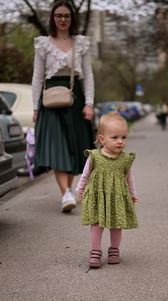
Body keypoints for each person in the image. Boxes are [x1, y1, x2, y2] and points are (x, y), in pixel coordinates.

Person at [32, 0, 94, 213]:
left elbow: (88, 76)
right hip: (50, 100)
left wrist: (89, 104)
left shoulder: (82, 43)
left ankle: (68, 189)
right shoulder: (43, 44)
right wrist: (34, 107)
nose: (62, 19)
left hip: (75, 97)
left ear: (72, 18)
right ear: (53, 18)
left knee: (76, 148)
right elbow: (37, 77)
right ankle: (66, 193)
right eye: (58, 15)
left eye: (66, 16)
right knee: (57, 145)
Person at [76, 108, 139, 268]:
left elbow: (129, 178)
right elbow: (85, 174)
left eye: (124, 137)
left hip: (117, 196)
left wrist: (132, 194)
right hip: (98, 196)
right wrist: (80, 190)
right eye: (115, 137)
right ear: (102, 139)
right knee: (96, 224)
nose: (120, 141)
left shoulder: (125, 159)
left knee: (116, 224)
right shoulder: (94, 156)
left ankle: (114, 250)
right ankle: (95, 251)